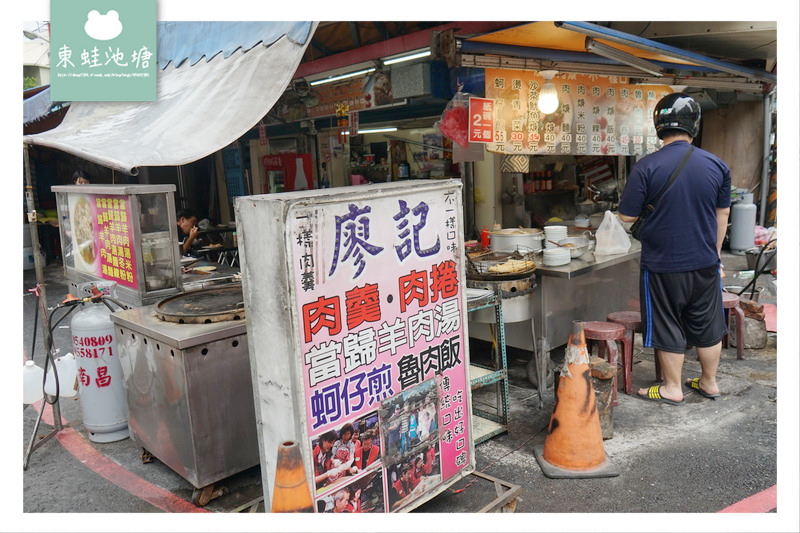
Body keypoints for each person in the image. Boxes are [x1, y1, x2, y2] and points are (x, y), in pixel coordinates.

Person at [618, 93, 731, 406]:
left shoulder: (646, 167)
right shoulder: (717, 165)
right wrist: (716, 253)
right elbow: (723, 214)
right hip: (706, 261)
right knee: (708, 323)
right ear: (694, 125)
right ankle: (708, 382)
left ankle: (672, 388)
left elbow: (627, 217)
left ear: (659, 126)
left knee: (668, 322)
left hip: (662, 265)